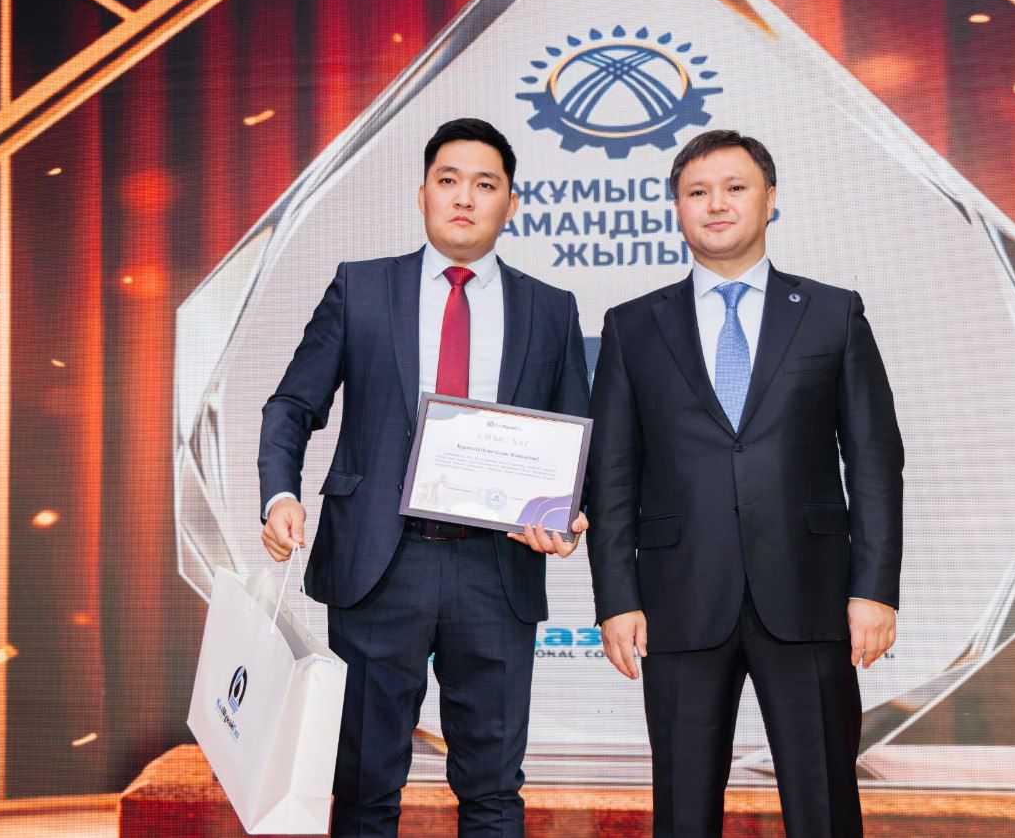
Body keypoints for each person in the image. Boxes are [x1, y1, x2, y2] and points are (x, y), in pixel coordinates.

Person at [257, 117, 590, 837]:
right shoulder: (361, 288)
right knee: (363, 788)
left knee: (493, 792)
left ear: (512, 204)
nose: (464, 197)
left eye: (485, 184)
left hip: (497, 570)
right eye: (448, 180)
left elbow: (573, 437)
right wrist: (280, 494)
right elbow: (291, 405)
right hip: (379, 566)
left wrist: (566, 512)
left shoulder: (551, 308)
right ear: (422, 194)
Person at [586, 129, 903, 836]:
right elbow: (611, 474)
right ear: (677, 209)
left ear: (770, 199)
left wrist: (875, 588)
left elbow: (875, 458)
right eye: (697, 192)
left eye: (735, 187)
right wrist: (617, 596)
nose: (717, 204)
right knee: (683, 811)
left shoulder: (831, 313)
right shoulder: (633, 327)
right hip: (678, 601)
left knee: (824, 807)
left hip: (810, 596)